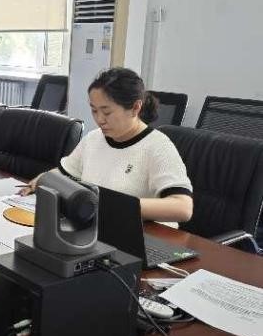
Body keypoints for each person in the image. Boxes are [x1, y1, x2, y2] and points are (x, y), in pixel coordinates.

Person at [22, 67, 193, 223]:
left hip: (143, 235)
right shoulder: (94, 139)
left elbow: (183, 208)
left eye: (107, 112)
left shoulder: (158, 146)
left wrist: (115, 206)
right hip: (98, 227)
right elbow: (65, 171)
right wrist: (43, 178)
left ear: (135, 108)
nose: (99, 119)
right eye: (94, 110)